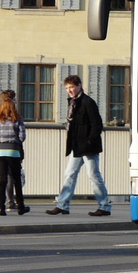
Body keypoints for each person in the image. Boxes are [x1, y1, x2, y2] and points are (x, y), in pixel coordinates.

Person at [47, 75, 112, 217]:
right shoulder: (72, 102)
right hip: (76, 146)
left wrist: (89, 141)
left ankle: (104, 206)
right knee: (69, 174)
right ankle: (62, 205)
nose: (69, 90)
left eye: (71, 87)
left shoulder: (88, 102)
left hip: (88, 147)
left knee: (93, 175)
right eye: (67, 88)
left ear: (79, 86)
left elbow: (97, 125)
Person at [0, 92, 29, 216]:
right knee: (16, 179)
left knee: (2, 179)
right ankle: (20, 206)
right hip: (13, 151)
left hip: (0, 152)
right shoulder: (18, 119)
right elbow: (22, 137)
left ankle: (1, 207)